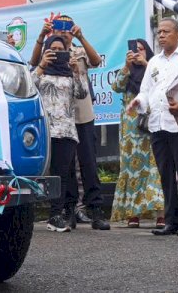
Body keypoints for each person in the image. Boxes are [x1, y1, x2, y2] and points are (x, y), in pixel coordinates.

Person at [29, 14, 109, 230]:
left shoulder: (78, 50)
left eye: (67, 26)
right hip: (58, 118)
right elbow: (33, 65)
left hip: (81, 113)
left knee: (89, 162)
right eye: (58, 26)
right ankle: (68, 209)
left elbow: (96, 62)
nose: (63, 30)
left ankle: (95, 209)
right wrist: (41, 37)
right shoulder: (50, 49)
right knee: (64, 166)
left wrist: (81, 37)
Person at [130, 18, 178, 236]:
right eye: (159, 32)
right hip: (158, 124)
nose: (160, 35)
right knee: (165, 174)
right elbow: (146, 90)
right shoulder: (153, 62)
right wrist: (139, 102)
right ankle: (172, 220)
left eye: (166, 32)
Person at [33, 35, 87, 232]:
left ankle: (55, 215)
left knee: (61, 174)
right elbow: (28, 87)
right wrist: (41, 64)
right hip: (44, 130)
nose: (56, 52)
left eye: (60, 49)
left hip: (65, 130)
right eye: (52, 48)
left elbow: (82, 94)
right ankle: (28, 213)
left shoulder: (69, 73)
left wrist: (76, 72)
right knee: (39, 172)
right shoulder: (41, 71)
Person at [110, 37, 164, 228]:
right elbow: (116, 86)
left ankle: (161, 215)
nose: (138, 52)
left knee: (155, 169)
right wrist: (126, 65)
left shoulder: (154, 66)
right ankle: (133, 214)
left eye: (142, 49)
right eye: (135, 50)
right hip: (131, 130)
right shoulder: (126, 71)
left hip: (152, 124)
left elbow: (162, 82)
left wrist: (147, 65)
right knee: (132, 170)